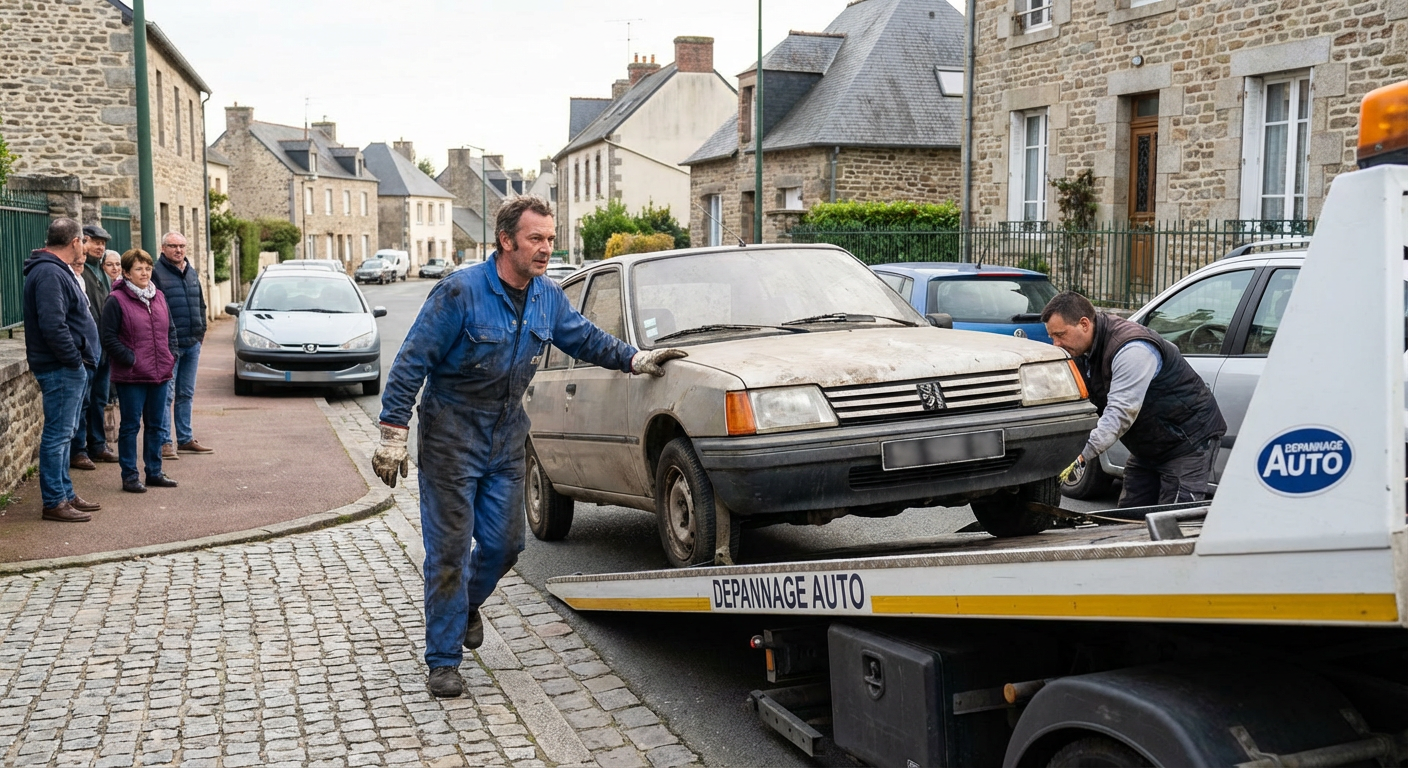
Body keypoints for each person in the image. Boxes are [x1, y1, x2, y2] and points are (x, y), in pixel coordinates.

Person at [374, 196, 687, 698]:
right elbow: (412, 362)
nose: (546, 249)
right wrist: (393, 434)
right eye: (535, 239)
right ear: (506, 241)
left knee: (506, 545)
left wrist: (635, 360)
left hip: (505, 437)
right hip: (451, 436)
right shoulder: (459, 293)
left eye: (550, 238)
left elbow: (584, 338)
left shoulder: (546, 296)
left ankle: (466, 605)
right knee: (449, 550)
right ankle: (444, 658)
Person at [1042, 291, 1227, 507]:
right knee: (1129, 514)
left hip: (1188, 442)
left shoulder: (1131, 349)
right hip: (1148, 447)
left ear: (1084, 324)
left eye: (1060, 335)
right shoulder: (1083, 350)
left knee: (1173, 520)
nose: (1056, 344)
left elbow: (1120, 414)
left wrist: (1079, 455)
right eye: (1051, 337)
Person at [22, 218, 103, 522]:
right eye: (84, 241)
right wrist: (74, 359)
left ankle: (65, 493)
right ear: (74, 242)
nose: (86, 246)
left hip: (67, 367)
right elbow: (53, 325)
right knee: (57, 435)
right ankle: (54, 500)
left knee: (66, 434)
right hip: (60, 368)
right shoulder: (48, 273)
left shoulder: (54, 270)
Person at [102, 249, 179, 493]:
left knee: (156, 426)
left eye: (147, 268)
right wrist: (131, 359)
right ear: (126, 273)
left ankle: (154, 472)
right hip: (131, 376)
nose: (145, 273)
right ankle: (130, 476)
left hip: (159, 373)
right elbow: (108, 338)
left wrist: (171, 355)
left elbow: (171, 332)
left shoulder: (159, 297)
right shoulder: (116, 300)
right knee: (130, 426)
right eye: (138, 268)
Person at [150, 231, 212, 458]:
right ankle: (165, 442)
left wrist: (201, 332)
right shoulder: (156, 273)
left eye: (182, 246)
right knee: (166, 394)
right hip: (169, 345)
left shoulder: (191, 272)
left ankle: (185, 439)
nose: (178, 250)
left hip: (192, 342)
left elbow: (201, 304)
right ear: (163, 248)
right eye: (173, 246)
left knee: (186, 393)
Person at [69, 224, 119, 470]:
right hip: (87, 348)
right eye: (96, 242)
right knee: (84, 400)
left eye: (103, 243)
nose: (100, 247)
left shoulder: (101, 271)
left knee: (99, 399)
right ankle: (79, 450)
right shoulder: (78, 270)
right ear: (83, 242)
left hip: (104, 346)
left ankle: (97, 445)